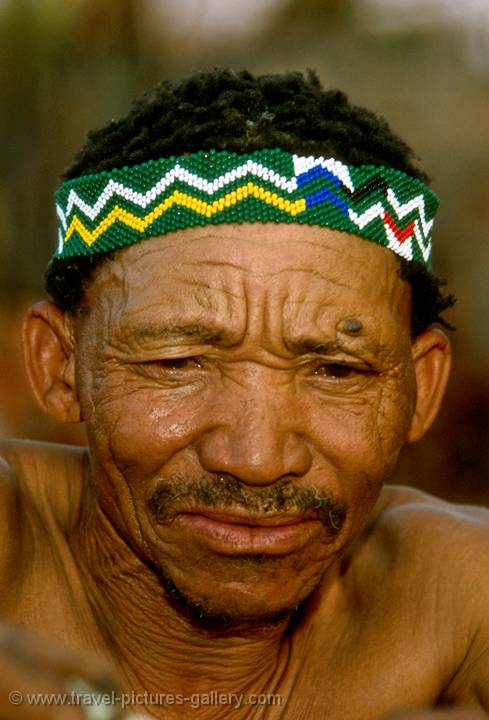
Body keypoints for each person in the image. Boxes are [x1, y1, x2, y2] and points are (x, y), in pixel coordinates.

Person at [0, 68, 487, 720]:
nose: (256, 458)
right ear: (61, 367)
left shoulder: (453, 598)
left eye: (335, 371)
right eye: (178, 362)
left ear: (420, 389)